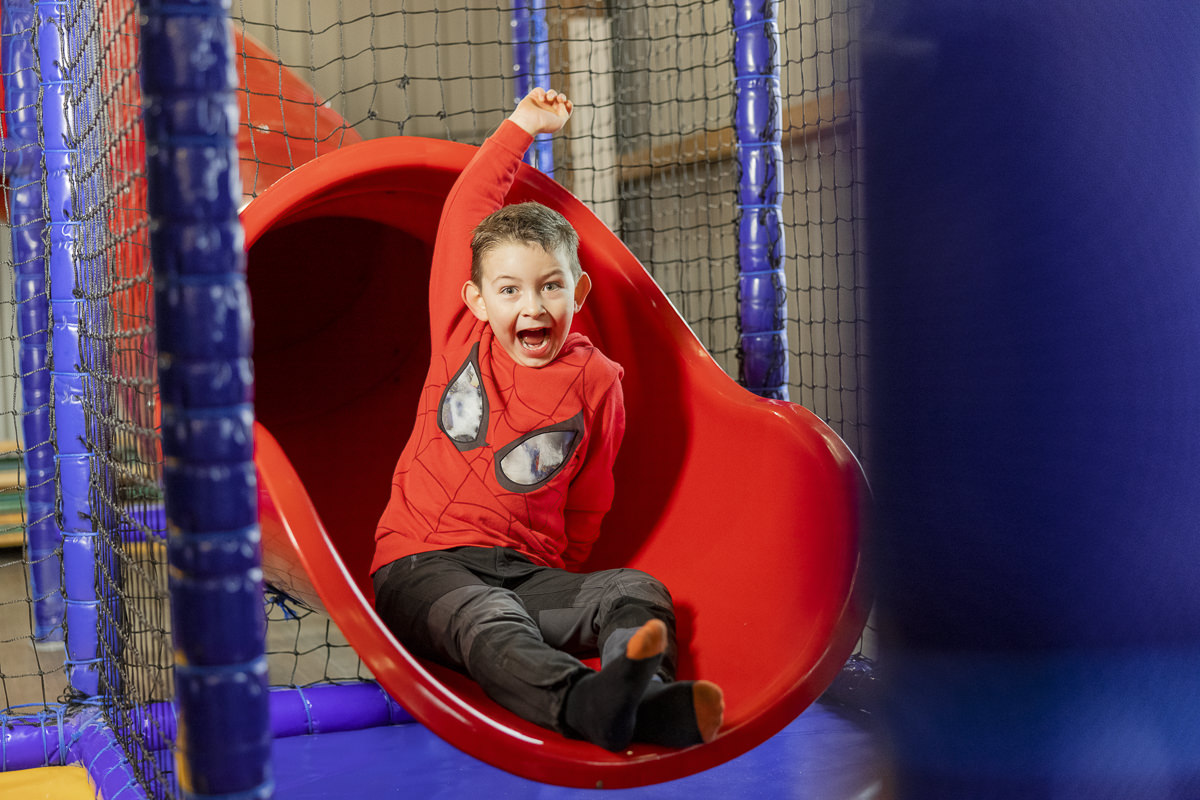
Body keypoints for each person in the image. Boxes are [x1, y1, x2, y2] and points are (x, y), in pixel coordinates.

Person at [370, 87, 724, 752]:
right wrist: (523, 126)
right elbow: (465, 210)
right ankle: (581, 702)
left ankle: (641, 700)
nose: (531, 306)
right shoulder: (458, 336)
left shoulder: (596, 380)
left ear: (577, 291)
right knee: (489, 616)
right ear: (476, 299)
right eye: (509, 290)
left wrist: (554, 568)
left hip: (525, 569)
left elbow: (590, 497)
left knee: (633, 587)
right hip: (419, 566)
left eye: (550, 286)